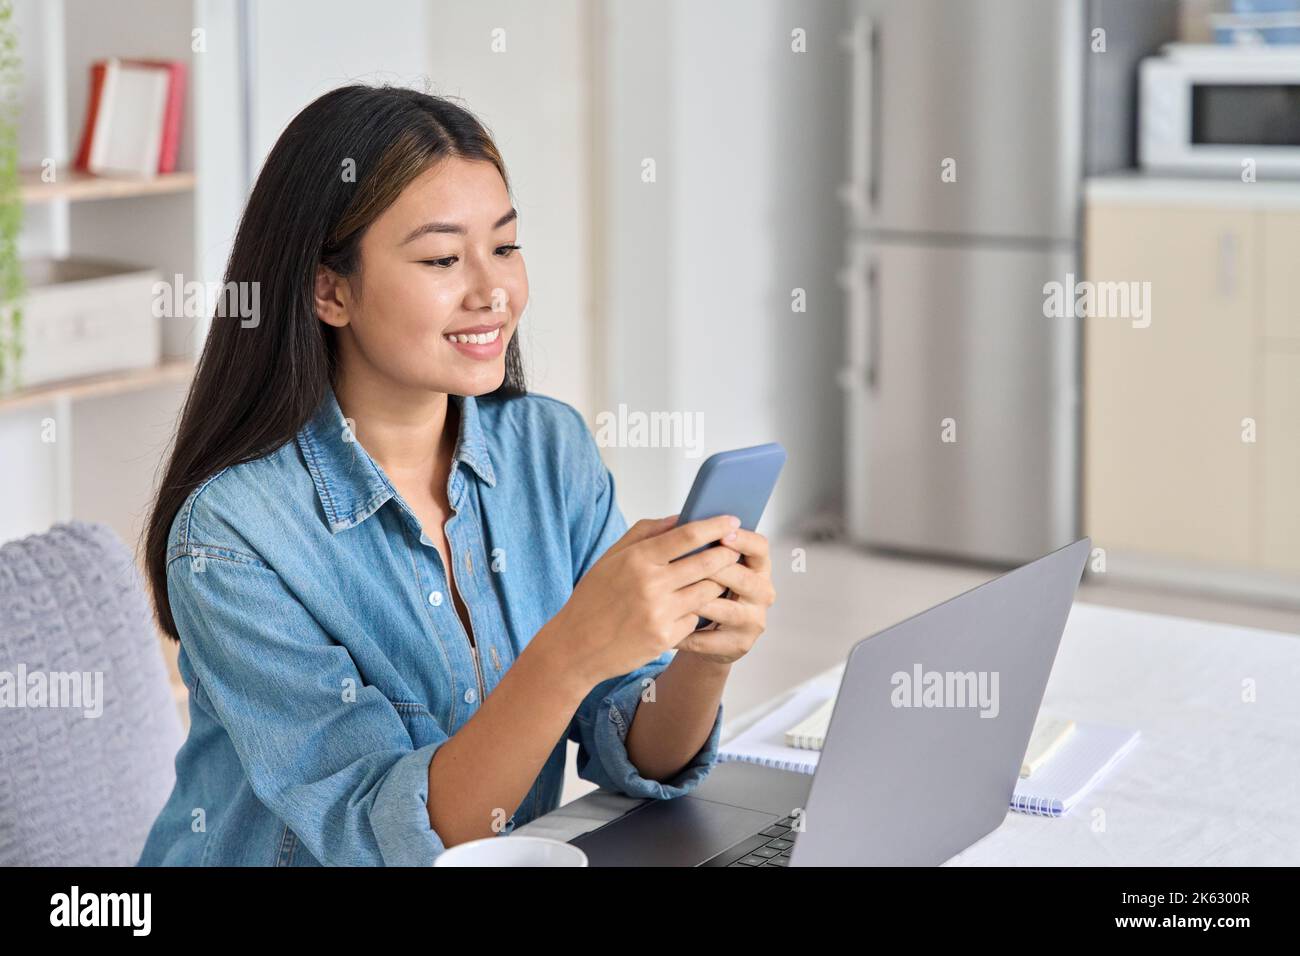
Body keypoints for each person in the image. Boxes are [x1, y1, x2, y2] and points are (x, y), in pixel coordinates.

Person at [136, 84, 775, 866]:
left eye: (505, 247)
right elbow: (383, 839)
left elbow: (632, 746)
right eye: (442, 258)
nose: (493, 292)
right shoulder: (234, 534)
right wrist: (572, 651)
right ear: (328, 291)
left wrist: (702, 654)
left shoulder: (549, 449)